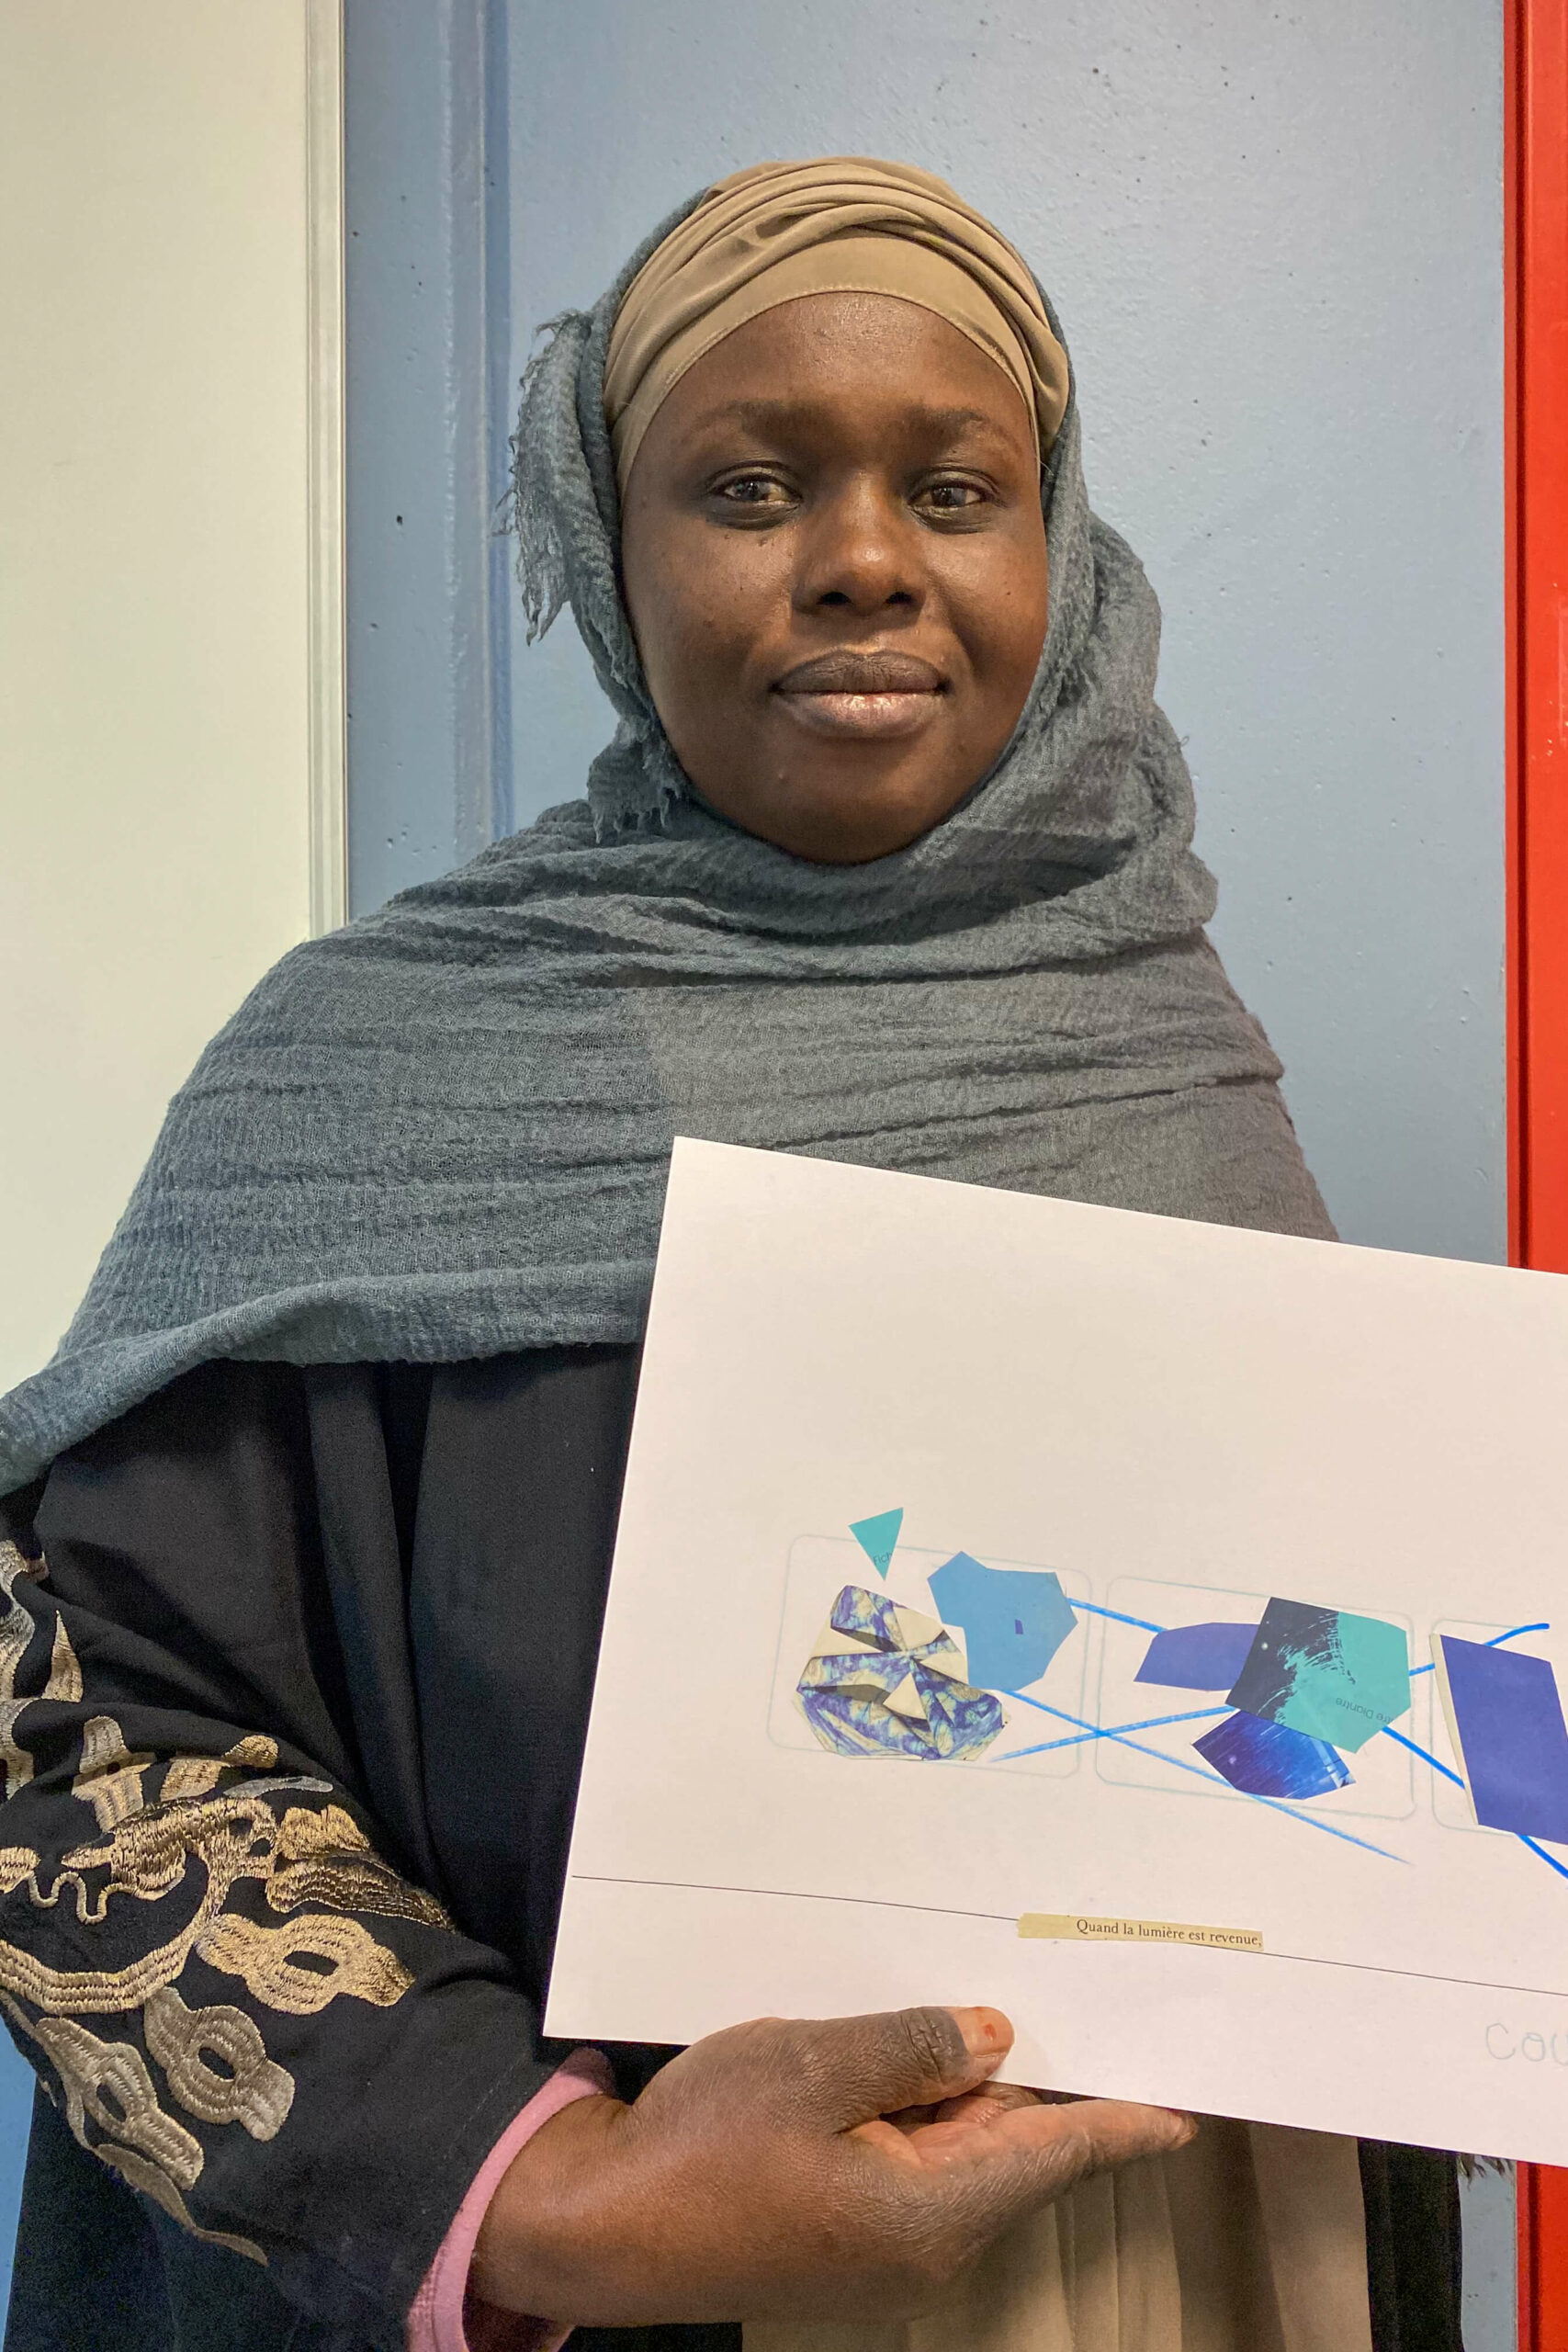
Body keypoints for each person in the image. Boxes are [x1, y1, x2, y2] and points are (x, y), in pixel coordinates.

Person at [0, 160, 1461, 2352]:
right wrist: (542, 2192)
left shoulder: (1166, 1058)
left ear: (1056, 554)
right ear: (614, 552)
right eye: (750, 486)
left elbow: (1302, 1666)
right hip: (602, 2279)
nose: (864, 558)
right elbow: (73, 1732)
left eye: (953, 490)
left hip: (1172, 2262)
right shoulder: (369, 1077)